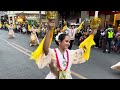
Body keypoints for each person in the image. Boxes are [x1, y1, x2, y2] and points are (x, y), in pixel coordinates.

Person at [31, 17, 98, 79]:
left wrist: (92, 35)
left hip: (67, 77)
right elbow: (45, 49)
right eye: (66, 41)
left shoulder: (70, 53)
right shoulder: (53, 52)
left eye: (69, 41)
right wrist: (49, 30)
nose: (68, 43)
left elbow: (83, 49)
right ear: (59, 42)